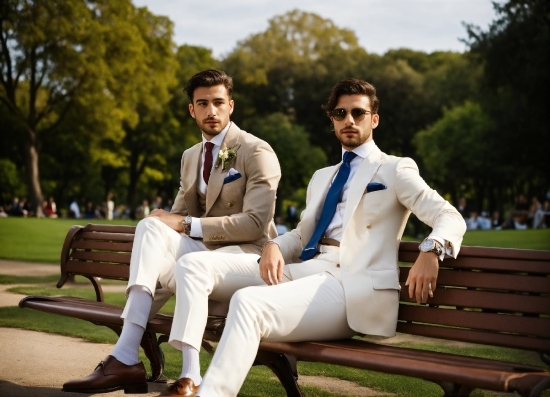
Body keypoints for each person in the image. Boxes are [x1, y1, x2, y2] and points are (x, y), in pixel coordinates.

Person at [172, 78, 467, 397]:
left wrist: (431, 249)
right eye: (341, 113)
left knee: (248, 302)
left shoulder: (394, 169)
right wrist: (274, 244)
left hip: (352, 284)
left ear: (374, 119)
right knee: (193, 265)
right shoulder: (321, 177)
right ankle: (191, 375)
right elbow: (300, 235)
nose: (349, 120)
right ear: (332, 120)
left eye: (358, 113)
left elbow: (448, 215)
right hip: (308, 269)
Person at [62, 69, 281, 395]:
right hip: (205, 256)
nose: (212, 111)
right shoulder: (190, 156)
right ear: (192, 110)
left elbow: (254, 225)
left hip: (248, 258)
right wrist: (163, 219)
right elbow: (178, 214)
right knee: (150, 226)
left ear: (231, 106)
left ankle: (161, 366)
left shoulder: (256, 150)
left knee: (184, 261)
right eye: (203, 104)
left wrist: (184, 224)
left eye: (218, 102)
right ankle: (130, 358)